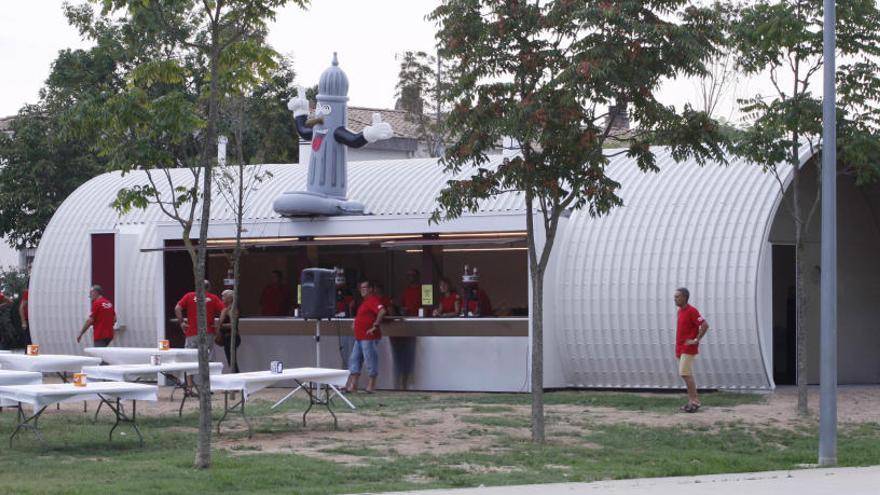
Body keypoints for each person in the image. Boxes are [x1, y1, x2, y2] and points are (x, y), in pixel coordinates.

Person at [175, 280, 225, 392]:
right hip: (208, 333)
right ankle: (207, 386)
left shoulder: (189, 296)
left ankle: (189, 386)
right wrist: (219, 323)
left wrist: (182, 322)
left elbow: (177, 308)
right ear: (209, 288)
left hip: (192, 333)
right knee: (208, 359)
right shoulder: (213, 298)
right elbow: (224, 309)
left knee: (189, 359)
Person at [345, 280, 387, 394]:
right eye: (361, 288)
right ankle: (353, 385)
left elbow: (382, 311)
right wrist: (356, 322)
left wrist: (375, 325)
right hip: (359, 337)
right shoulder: (365, 302)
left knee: (370, 360)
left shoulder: (373, 300)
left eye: (365, 288)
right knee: (354, 360)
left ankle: (371, 386)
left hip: (368, 337)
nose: (362, 290)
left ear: (370, 289)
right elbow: (364, 316)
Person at [674, 287, 709, 413]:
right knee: (686, 373)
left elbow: (704, 325)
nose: (675, 299)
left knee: (685, 373)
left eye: (677, 296)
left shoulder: (692, 311)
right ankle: (692, 401)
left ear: (684, 297)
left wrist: (696, 340)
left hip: (688, 348)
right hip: (680, 347)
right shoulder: (680, 311)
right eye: (675, 296)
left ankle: (695, 401)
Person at [217, 289, 242, 373]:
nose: (222, 298)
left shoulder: (232, 309)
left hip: (231, 337)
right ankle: (235, 376)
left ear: (230, 298)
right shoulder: (226, 309)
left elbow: (233, 324)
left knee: (232, 361)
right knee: (230, 360)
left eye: (224, 296)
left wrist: (221, 326)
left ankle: (237, 378)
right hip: (227, 337)